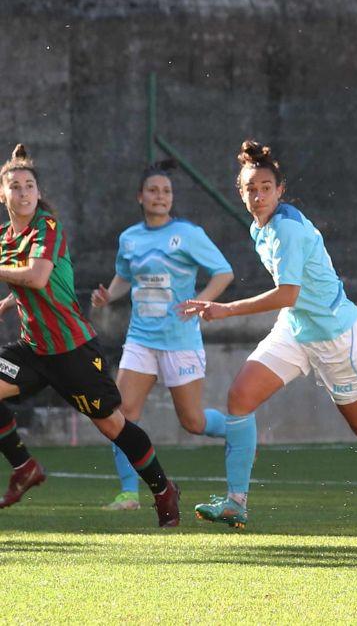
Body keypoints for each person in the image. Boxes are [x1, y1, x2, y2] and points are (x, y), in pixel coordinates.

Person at [179, 140, 357, 529]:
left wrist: (226, 309)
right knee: (240, 398)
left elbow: (288, 292)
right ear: (240, 192)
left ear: (280, 190)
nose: (258, 196)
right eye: (250, 189)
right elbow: (292, 300)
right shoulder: (260, 228)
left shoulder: (285, 227)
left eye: (265, 188)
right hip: (296, 327)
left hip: (336, 334)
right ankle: (236, 503)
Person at [0, 145, 180, 526]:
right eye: (14, 186)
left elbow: (36, 276)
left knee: (112, 426)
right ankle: (25, 466)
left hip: (71, 351)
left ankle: (164, 490)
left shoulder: (48, 228)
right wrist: (5, 303)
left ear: (38, 192)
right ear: (3, 195)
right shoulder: (5, 238)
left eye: (29, 185)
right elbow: (23, 285)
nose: (24, 192)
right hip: (34, 351)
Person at [91, 159, 234, 511]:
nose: (160, 196)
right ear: (140, 196)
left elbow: (223, 272)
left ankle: (239, 431)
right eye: (153, 191)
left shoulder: (188, 233)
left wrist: (201, 302)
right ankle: (128, 494)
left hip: (180, 341)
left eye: (166, 191)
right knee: (121, 415)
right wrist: (110, 295)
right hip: (141, 340)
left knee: (193, 422)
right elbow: (124, 276)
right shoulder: (130, 238)